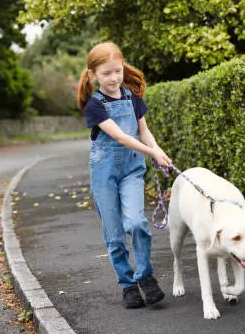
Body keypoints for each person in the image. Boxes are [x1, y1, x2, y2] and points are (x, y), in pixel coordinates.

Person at [77, 41, 172, 309]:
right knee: (115, 235)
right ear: (93, 74)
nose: (113, 78)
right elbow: (119, 136)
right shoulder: (95, 105)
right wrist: (151, 153)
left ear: (122, 68)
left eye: (117, 71)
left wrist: (157, 148)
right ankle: (127, 285)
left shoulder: (133, 97)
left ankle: (146, 277)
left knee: (136, 223)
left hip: (131, 169)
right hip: (104, 171)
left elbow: (144, 131)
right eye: (106, 73)